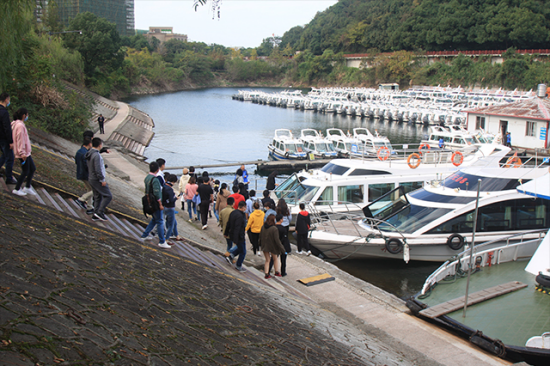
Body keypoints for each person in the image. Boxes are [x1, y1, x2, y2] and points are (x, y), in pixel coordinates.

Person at [140, 161, 169, 248]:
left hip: (149, 201)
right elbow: (157, 193)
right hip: (155, 203)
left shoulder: (147, 177)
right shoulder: (155, 179)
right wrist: (160, 204)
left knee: (154, 220)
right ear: (157, 169)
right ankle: (162, 241)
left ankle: (145, 235)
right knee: (160, 221)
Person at [11, 108, 37, 197]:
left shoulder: (17, 124)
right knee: (25, 171)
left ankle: (27, 187)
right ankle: (17, 189)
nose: (27, 116)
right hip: (23, 153)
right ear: (24, 115)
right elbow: (20, 139)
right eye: (27, 115)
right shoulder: (20, 126)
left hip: (26, 152)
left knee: (32, 168)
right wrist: (22, 153)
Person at [85, 138, 113, 222]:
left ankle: (95, 214)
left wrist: (104, 150)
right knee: (108, 195)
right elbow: (97, 169)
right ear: (100, 145)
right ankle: (100, 212)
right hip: (97, 179)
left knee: (98, 197)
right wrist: (102, 180)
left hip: (91, 178)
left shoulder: (90, 153)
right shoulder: (96, 155)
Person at [259, 214, 285, 279]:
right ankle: (276, 272)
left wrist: (259, 245)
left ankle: (266, 274)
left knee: (267, 260)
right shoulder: (274, 228)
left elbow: (260, 237)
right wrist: (282, 249)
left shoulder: (263, 227)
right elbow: (277, 240)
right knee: (275, 258)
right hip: (273, 246)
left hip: (265, 245)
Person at [224, 201, 248, 272]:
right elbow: (237, 227)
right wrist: (236, 239)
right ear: (243, 207)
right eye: (245, 207)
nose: (245, 209)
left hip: (232, 233)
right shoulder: (240, 216)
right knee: (243, 251)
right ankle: (238, 265)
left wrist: (226, 232)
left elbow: (228, 223)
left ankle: (231, 255)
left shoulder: (233, 212)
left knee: (240, 248)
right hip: (239, 236)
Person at [74, 137, 94, 215]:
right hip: (87, 174)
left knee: (90, 189)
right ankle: (81, 199)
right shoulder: (86, 153)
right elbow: (87, 165)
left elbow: (76, 161)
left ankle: (89, 208)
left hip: (81, 173)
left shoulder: (79, 151)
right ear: (89, 144)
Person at [0, 92, 16, 185]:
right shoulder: (4, 113)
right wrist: (10, 141)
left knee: (4, 156)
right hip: (4, 139)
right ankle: (9, 178)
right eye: (9, 99)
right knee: (10, 158)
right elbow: (7, 128)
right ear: (6, 99)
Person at [164, 174, 183, 242]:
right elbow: (171, 200)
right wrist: (176, 198)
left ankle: (177, 236)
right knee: (171, 225)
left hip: (164, 206)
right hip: (170, 208)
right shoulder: (170, 189)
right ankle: (166, 239)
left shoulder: (164, 186)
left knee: (174, 223)